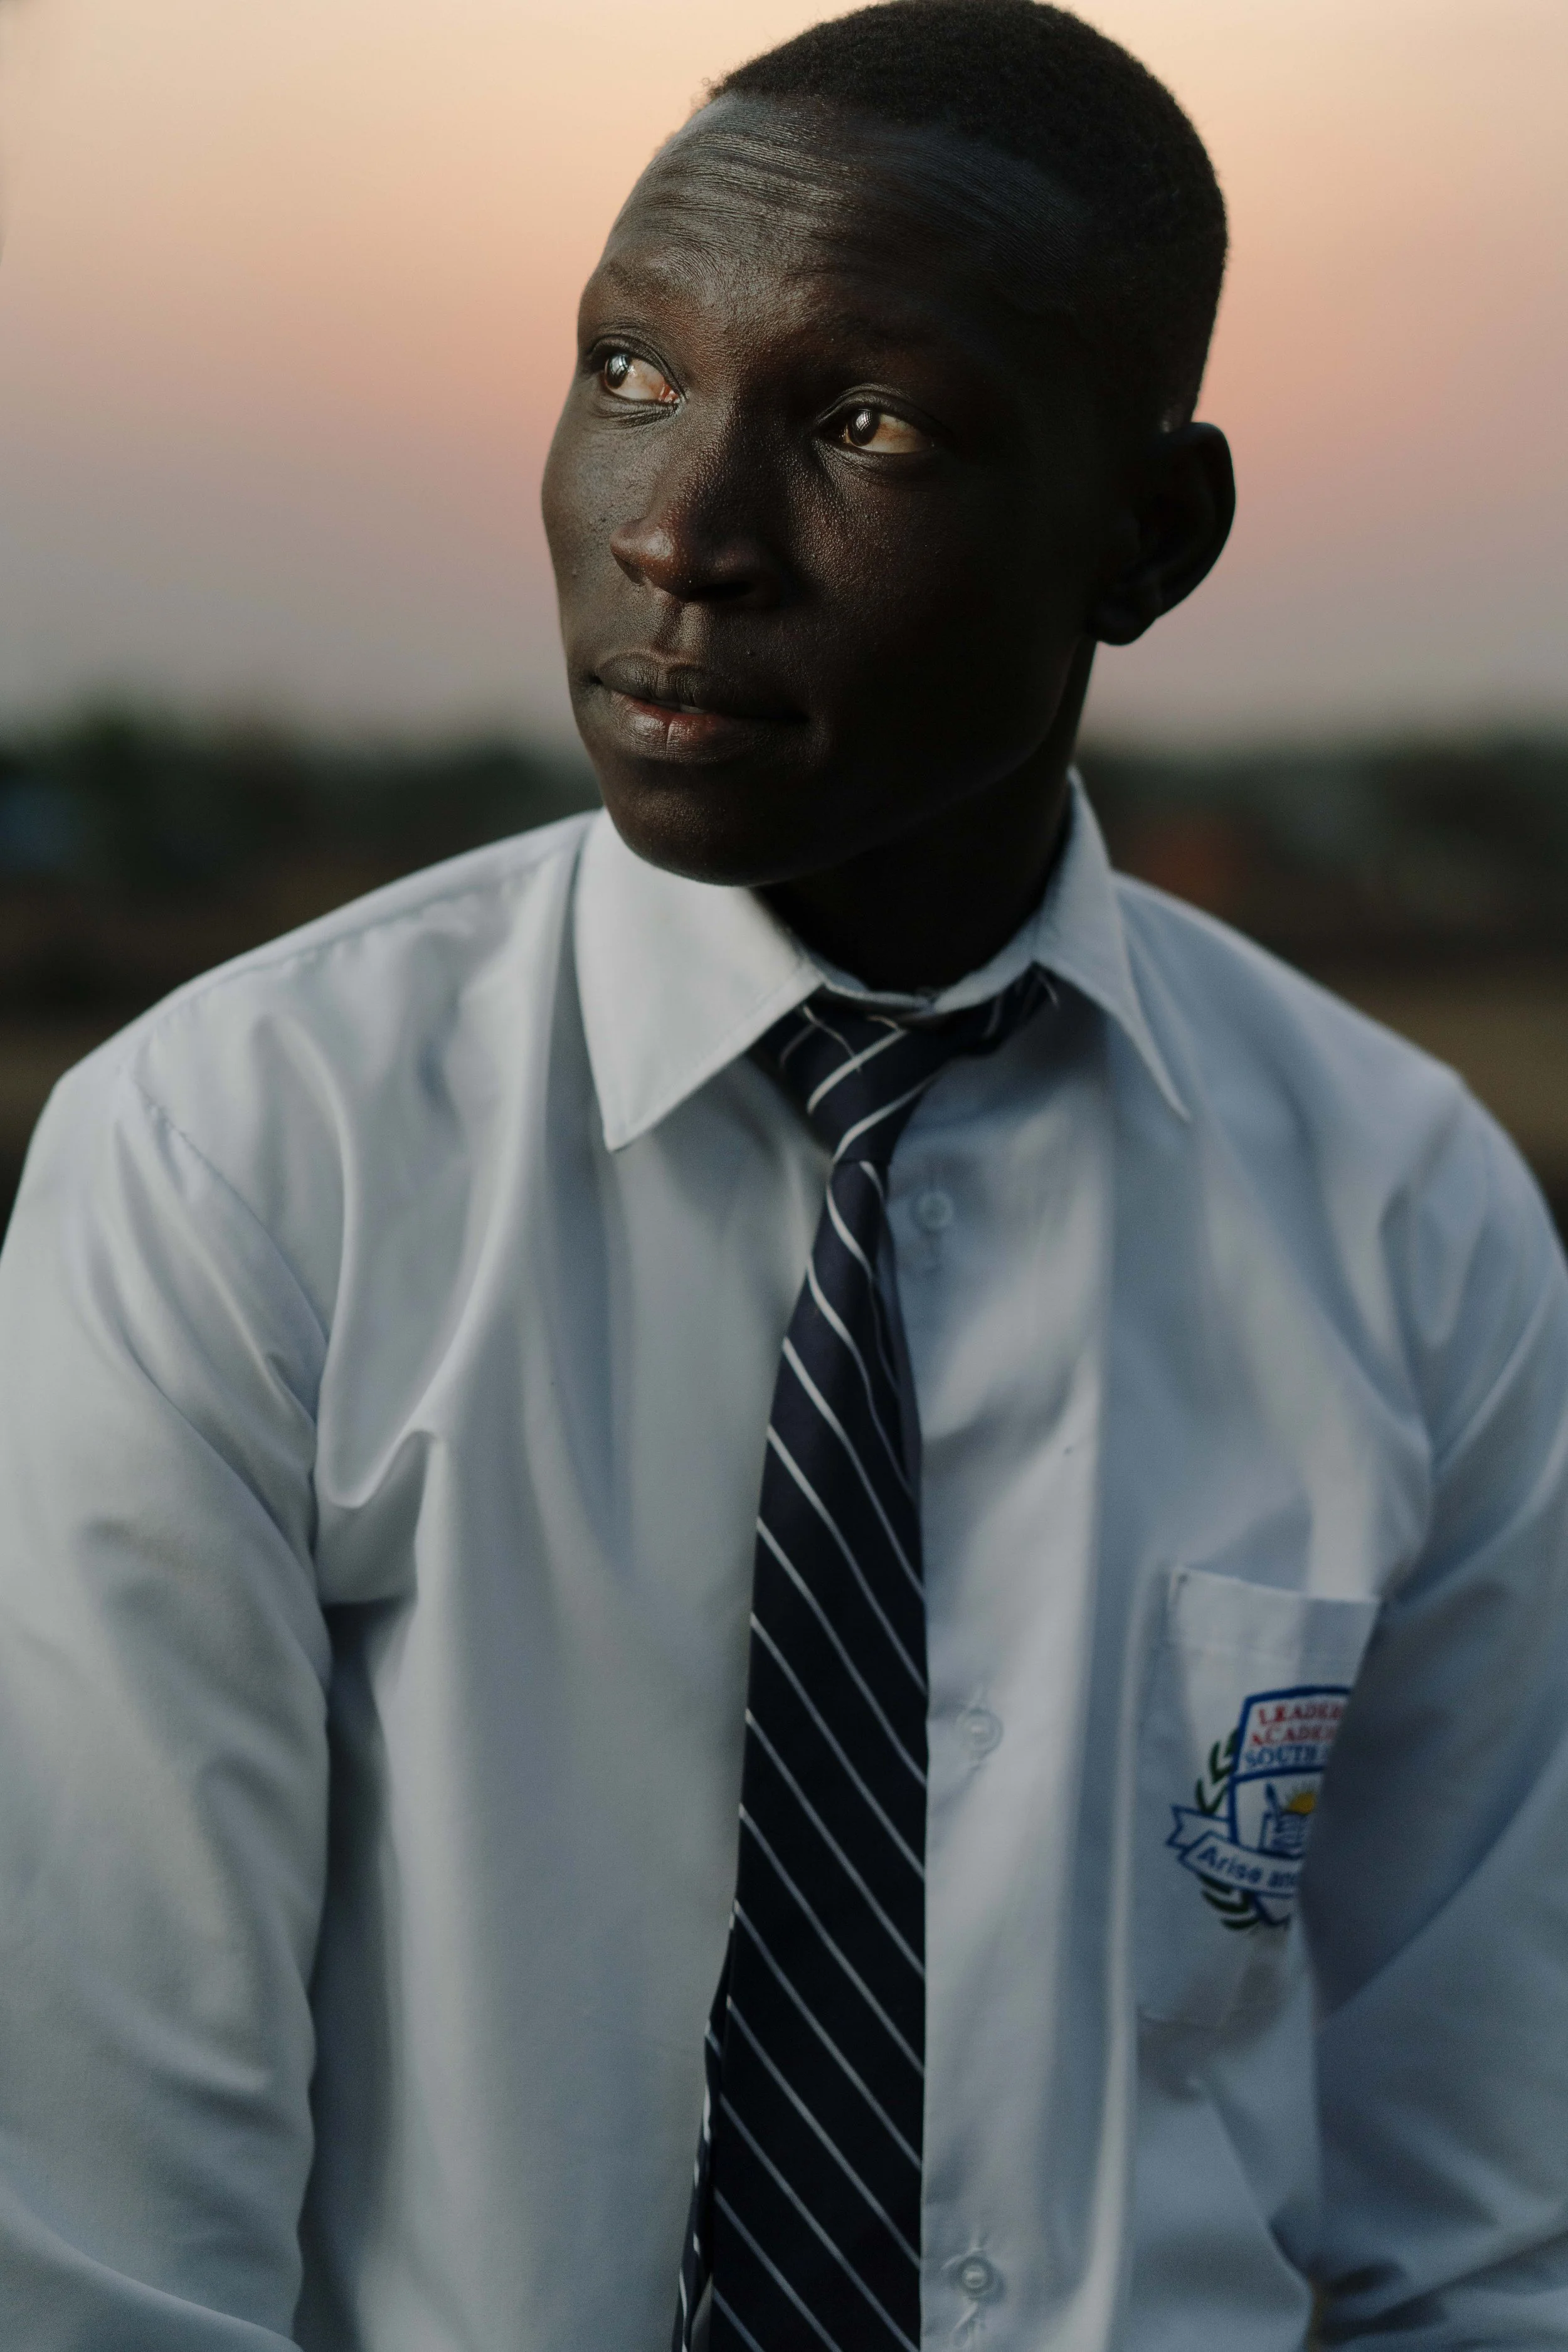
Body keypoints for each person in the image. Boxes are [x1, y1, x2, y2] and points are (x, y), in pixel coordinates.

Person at [1, 1, 1566, 2345]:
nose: (680, 535)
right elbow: (106, 2244)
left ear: (1147, 537)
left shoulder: (1401, 1215)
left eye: (868, 427)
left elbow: (1469, 2230)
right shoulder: (241, 1154)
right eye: (628, 372)